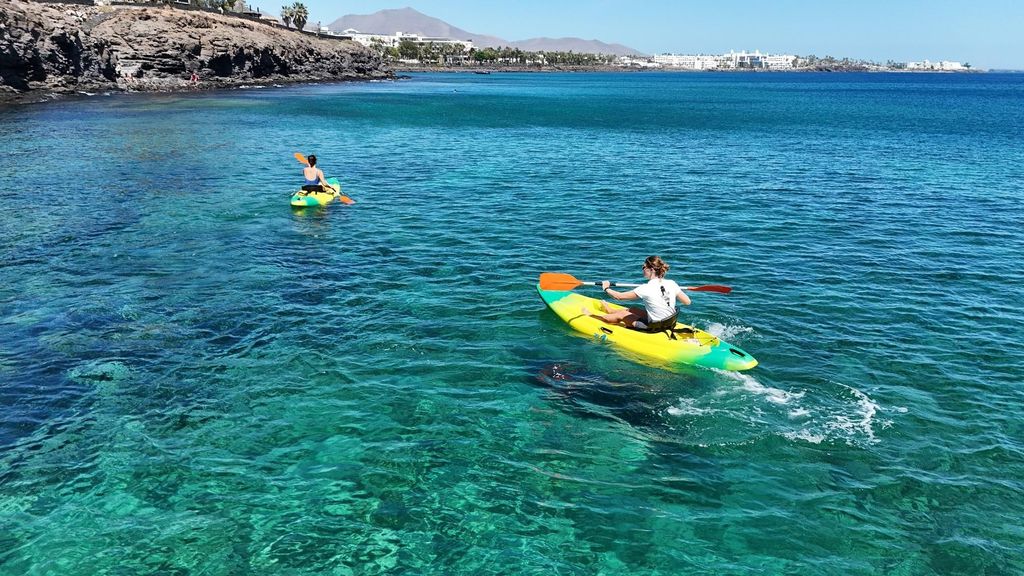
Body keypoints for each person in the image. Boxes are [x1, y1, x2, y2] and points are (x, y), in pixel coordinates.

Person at [584, 255, 692, 331]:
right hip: (669, 322)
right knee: (633, 310)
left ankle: (593, 317)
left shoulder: (645, 288)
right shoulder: (672, 283)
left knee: (623, 314)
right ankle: (610, 311)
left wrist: (606, 288)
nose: (642, 270)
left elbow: (619, 297)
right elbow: (687, 302)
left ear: (651, 269)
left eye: (643, 267)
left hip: (654, 326)